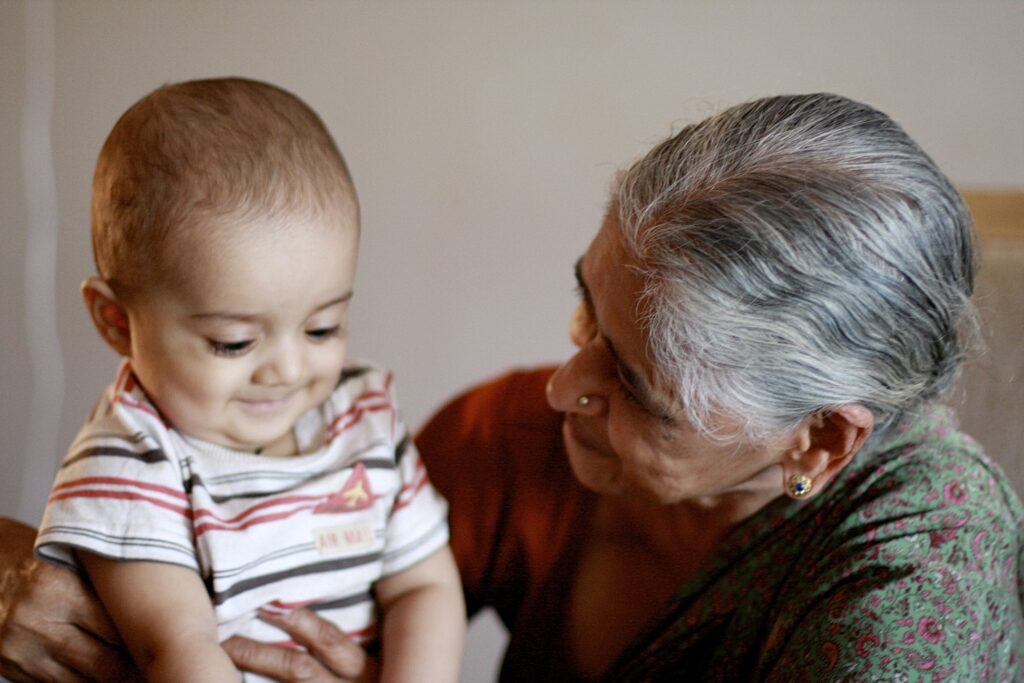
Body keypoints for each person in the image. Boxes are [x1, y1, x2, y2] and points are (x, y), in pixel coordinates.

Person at [2, 92, 1022, 681]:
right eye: (585, 308)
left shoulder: (915, 579)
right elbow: (242, 545)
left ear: (818, 441)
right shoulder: (513, 440)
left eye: (634, 383)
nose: (562, 385)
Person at [20, 77, 464, 682]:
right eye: (234, 342)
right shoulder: (132, 463)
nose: (288, 370)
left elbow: (425, 587)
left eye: (322, 328)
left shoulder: (366, 417)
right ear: (117, 322)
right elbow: (176, 648)